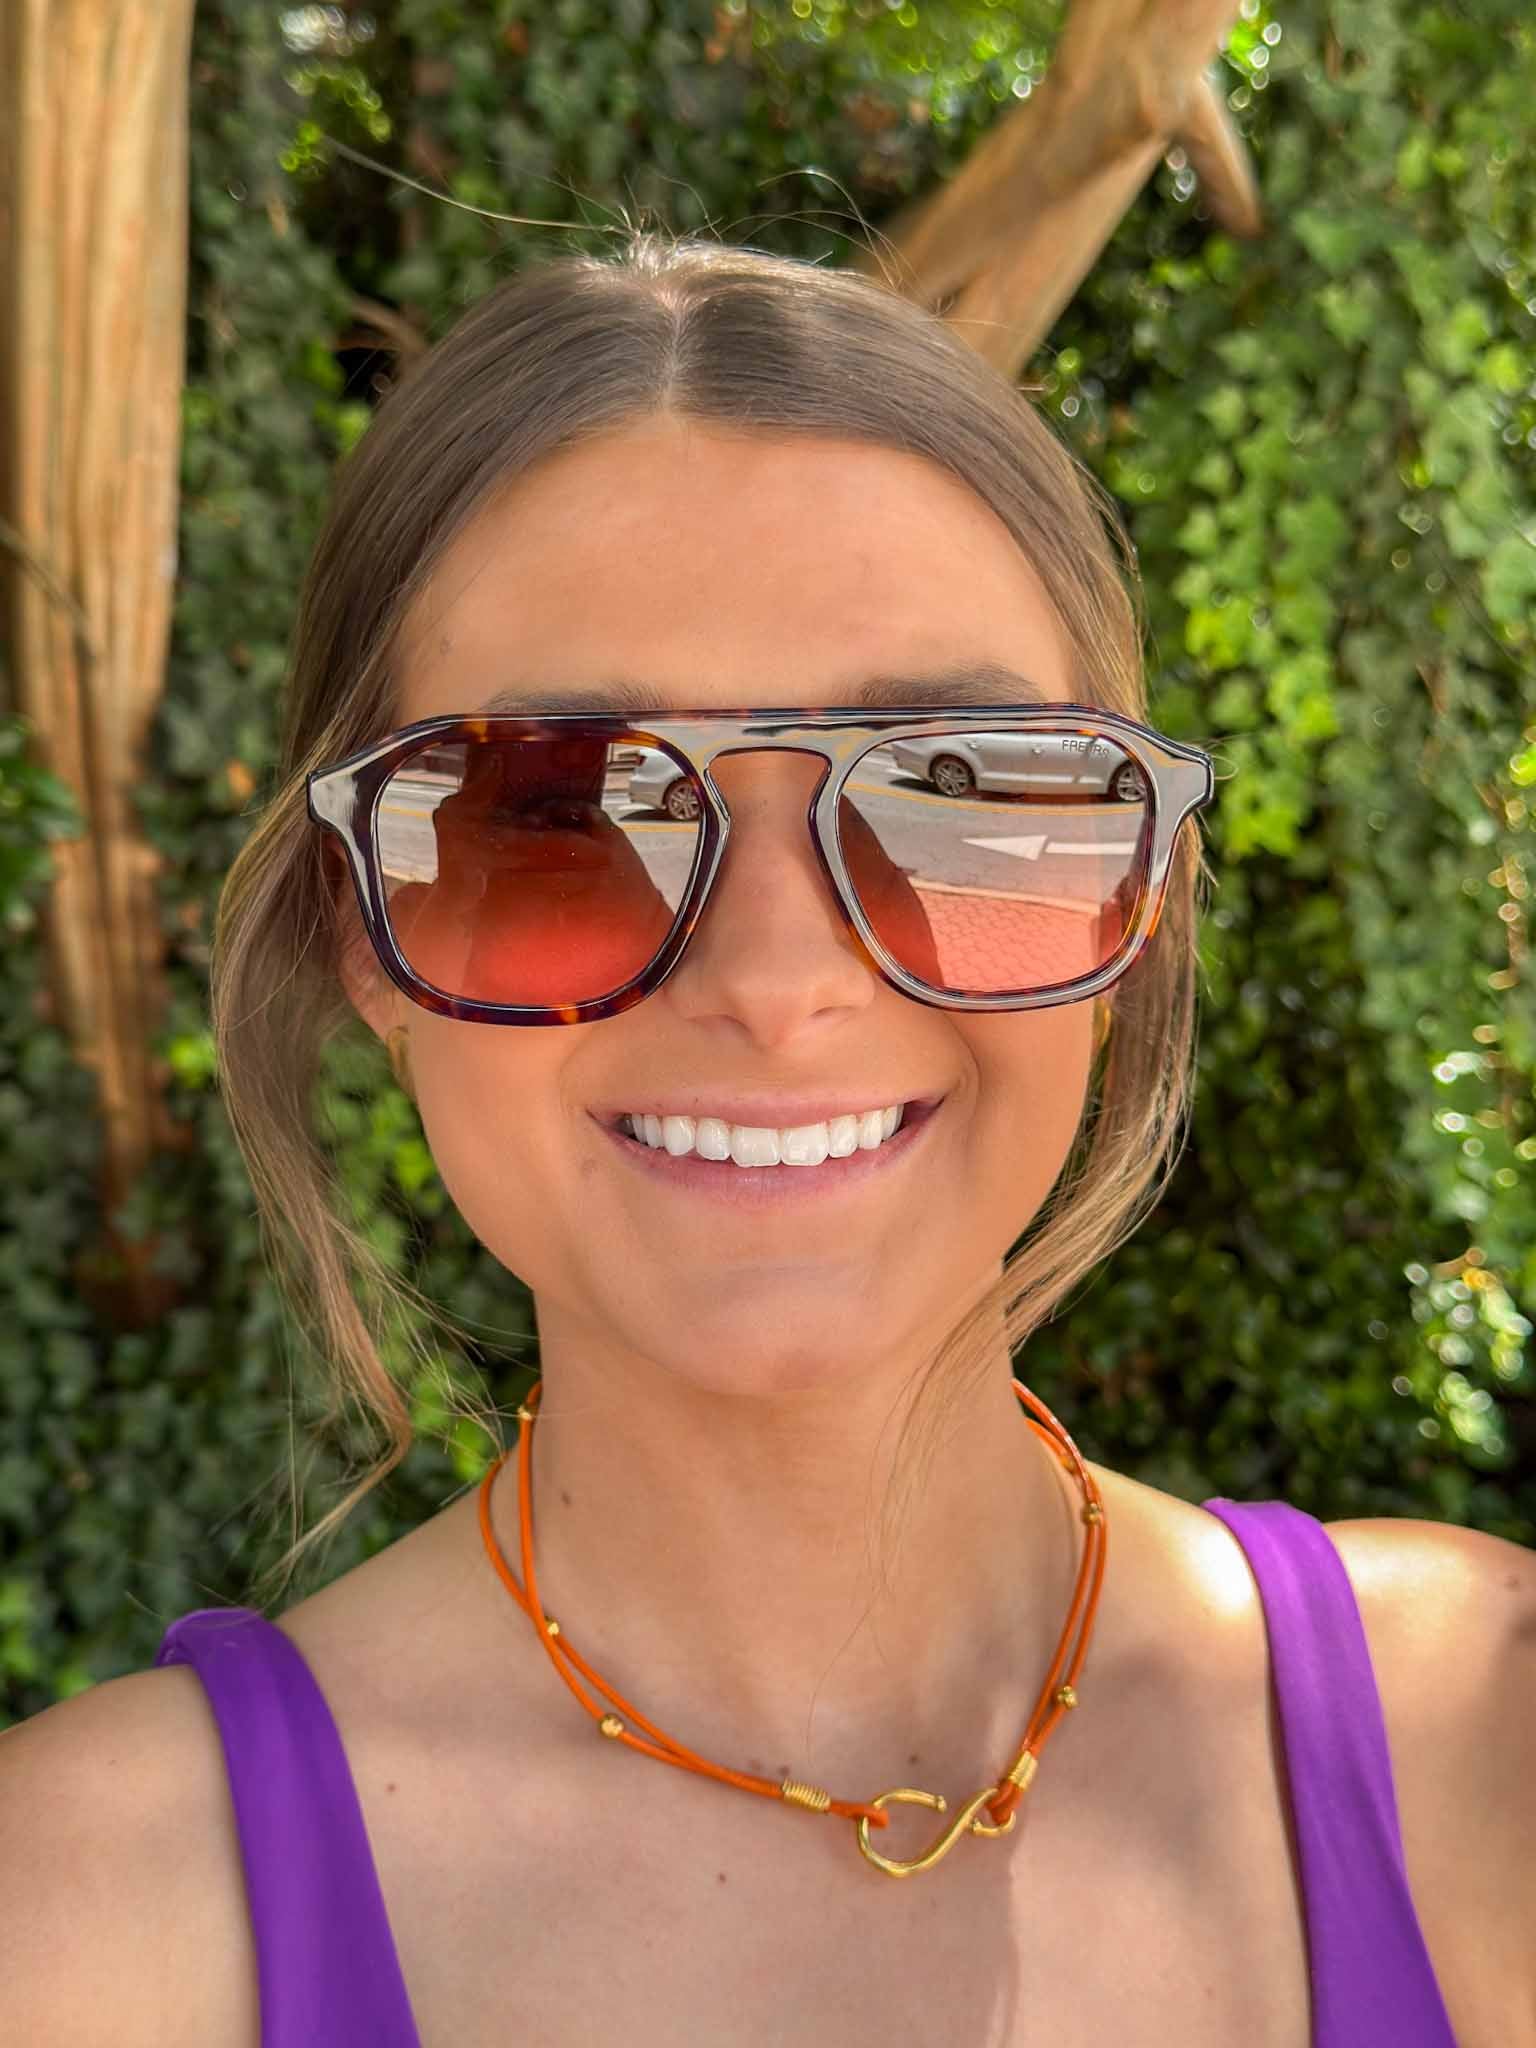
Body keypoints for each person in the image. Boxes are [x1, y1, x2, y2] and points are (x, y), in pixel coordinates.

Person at [3, 231, 1532, 2047]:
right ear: (363, 930)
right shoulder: (76, 1925)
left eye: (966, 794)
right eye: (556, 819)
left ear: (1134, 891)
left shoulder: (1481, 1743)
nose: (779, 983)